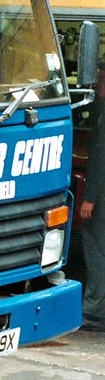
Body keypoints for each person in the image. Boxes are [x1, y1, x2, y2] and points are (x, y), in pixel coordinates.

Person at [81, 59, 105, 330]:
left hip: (102, 197)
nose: (96, 84)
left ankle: (94, 310)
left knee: (96, 248)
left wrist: (90, 197)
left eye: (100, 80)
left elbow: (100, 158)